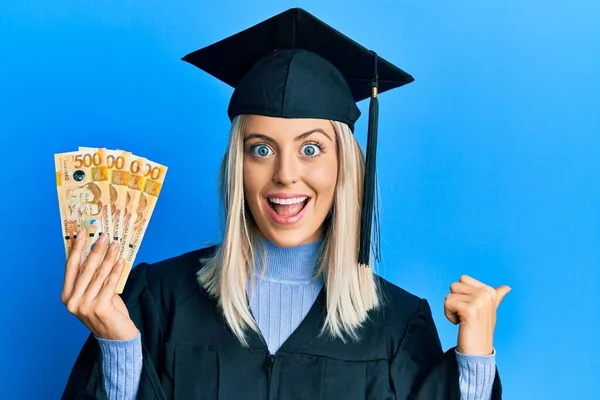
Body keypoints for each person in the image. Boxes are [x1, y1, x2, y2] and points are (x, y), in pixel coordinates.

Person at [60, 8, 508, 400]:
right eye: (261, 149)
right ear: (238, 165)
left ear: (344, 167)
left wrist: (474, 359)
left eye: (311, 149)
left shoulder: (397, 324)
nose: (286, 174)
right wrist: (117, 345)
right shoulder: (156, 301)